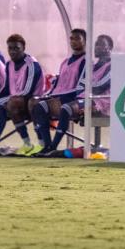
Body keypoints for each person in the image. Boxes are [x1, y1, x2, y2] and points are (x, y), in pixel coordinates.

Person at [38, 34, 112, 157]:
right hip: (84, 98)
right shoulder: (91, 65)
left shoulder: (111, 65)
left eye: (101, 45)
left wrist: (86, 89)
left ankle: (53, 147)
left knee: (66, 108)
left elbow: (101, 85)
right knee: (41, 106)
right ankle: (46, 145)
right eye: (96, 45)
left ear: (109, 47)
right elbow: (80, 85)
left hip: (100, 102)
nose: (97, 47)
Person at [27, 28, 87, 156]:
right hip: (59, 97)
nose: (73, 41)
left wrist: (56, 97)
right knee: (34, 104)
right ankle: (45, 145)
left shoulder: (86, 61)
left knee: (47, 106)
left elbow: (80, 87)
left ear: (85, 41)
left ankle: (53, 147)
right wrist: (48, 95)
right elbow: (59, 83)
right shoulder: (65, 62)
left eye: (77, 38)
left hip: (73, 98)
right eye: (71, 38)